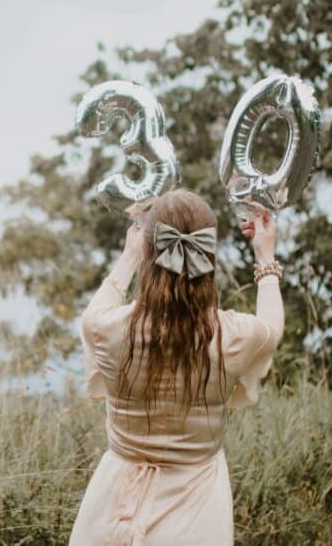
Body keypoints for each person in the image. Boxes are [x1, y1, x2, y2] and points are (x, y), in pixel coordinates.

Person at [69, 188, 284, 545]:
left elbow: (95, 311)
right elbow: (272, 329)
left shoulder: (107, 329)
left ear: (149, 253)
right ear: (208, 257)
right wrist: (266, 257)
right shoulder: (231, 337)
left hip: (110, 507)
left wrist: (128, 259)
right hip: (196, 515)